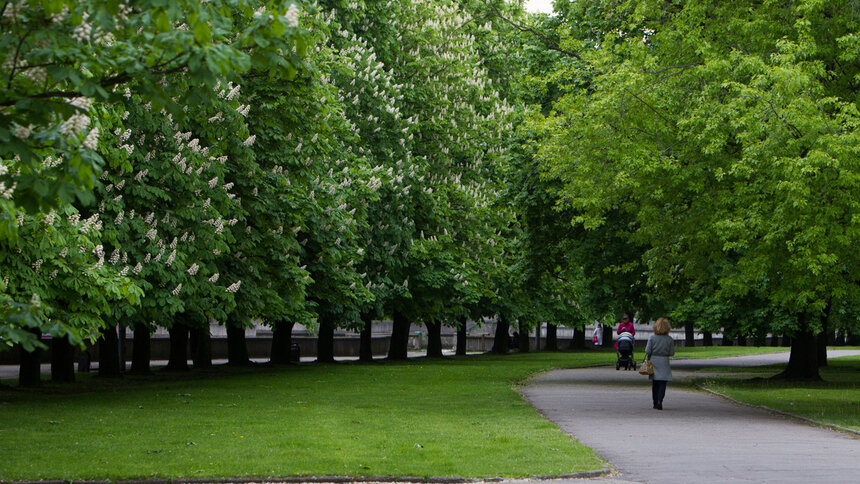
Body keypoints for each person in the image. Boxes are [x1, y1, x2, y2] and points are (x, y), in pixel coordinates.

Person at [645, 317, 675, 410]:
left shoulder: (652, 338)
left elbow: (647, 350)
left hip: (654, 360)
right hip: (664, 361)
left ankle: (655, 402)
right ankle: (660, 400)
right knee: (663, 382)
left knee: (655, 383)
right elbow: (671, 353)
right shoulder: (669, 339)